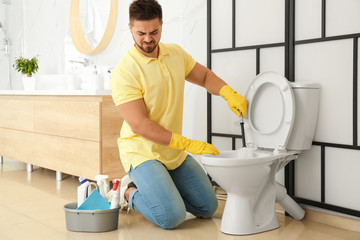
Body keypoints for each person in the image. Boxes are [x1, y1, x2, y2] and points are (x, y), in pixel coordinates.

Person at [109, 0, 247, 230]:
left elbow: (203, 77)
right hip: (142, 151)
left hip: (171, 150)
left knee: (208, 207)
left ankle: (162, 189)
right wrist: (186, 143)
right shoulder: (126, 71)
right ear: (130, 27)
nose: (148, 39)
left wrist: (228, 93)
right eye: (141, 32)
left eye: (154, 31)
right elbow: (140, 125)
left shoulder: (175, 53)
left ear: (162, 24)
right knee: (171, 216)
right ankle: (129, 191)